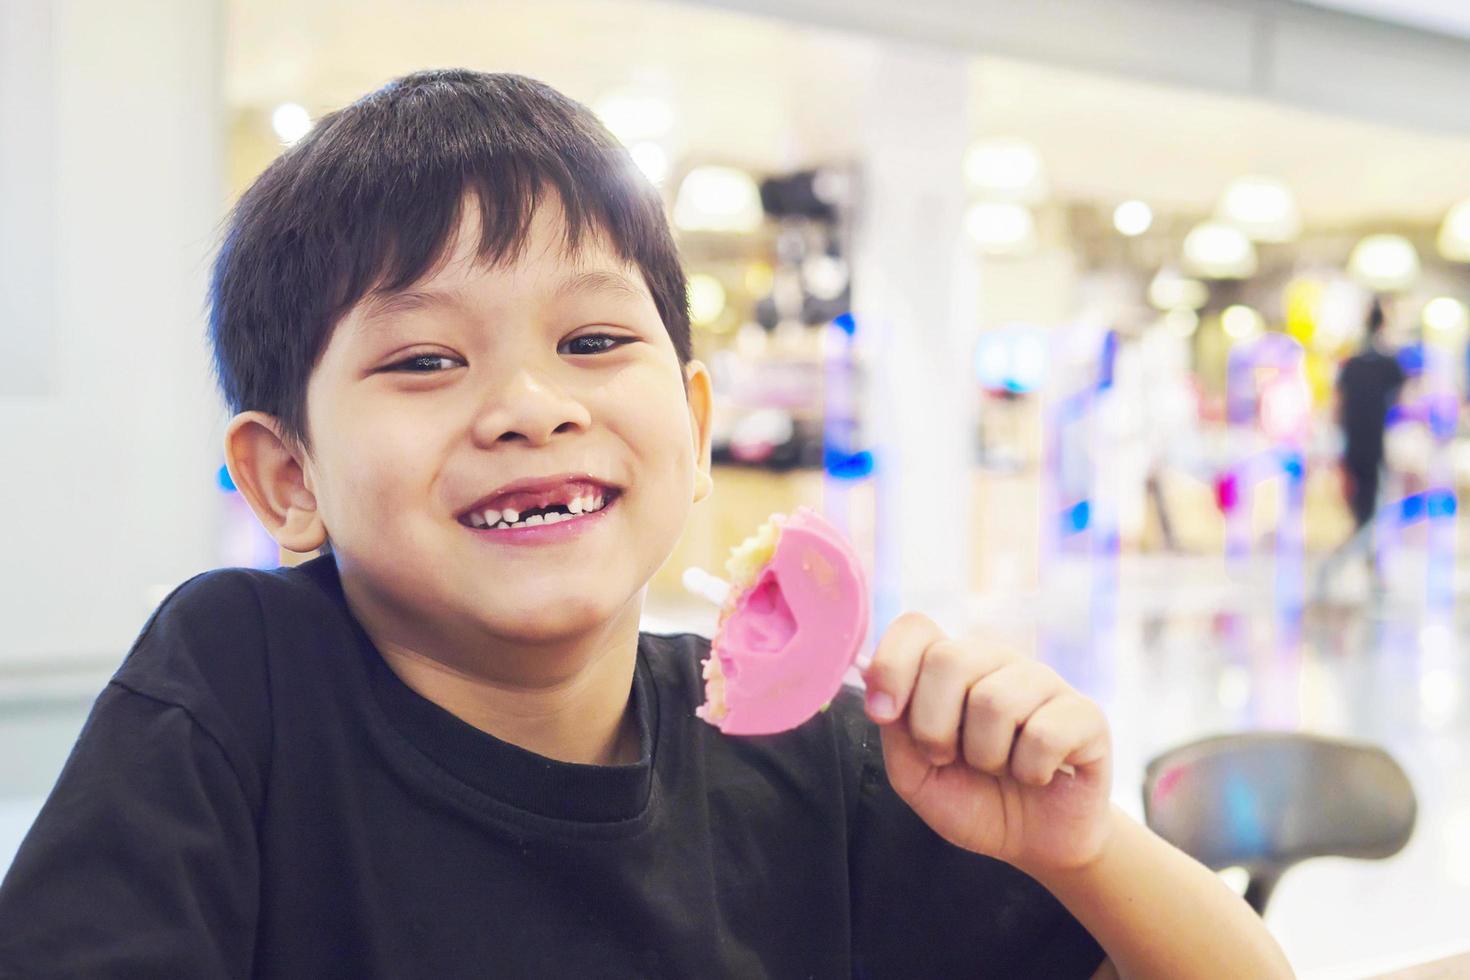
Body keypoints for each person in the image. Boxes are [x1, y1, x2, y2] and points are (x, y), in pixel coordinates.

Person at [0, 70, 1289, 978]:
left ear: (690, 426)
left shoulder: (818, 761)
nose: (529, 404)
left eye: (595, 338)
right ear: (288, 478)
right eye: (423, 360)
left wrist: (1083, 848)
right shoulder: (241, 688)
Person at [1318, 297, 1406, 597]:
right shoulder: (1388, 364)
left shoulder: (1352, 365)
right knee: (1369, 511)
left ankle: (1367, 563)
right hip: (1374, 446)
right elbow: (1401, 405)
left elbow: (1337, 408)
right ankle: (1345, 561)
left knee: (1365, 509)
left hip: (1354, 447)